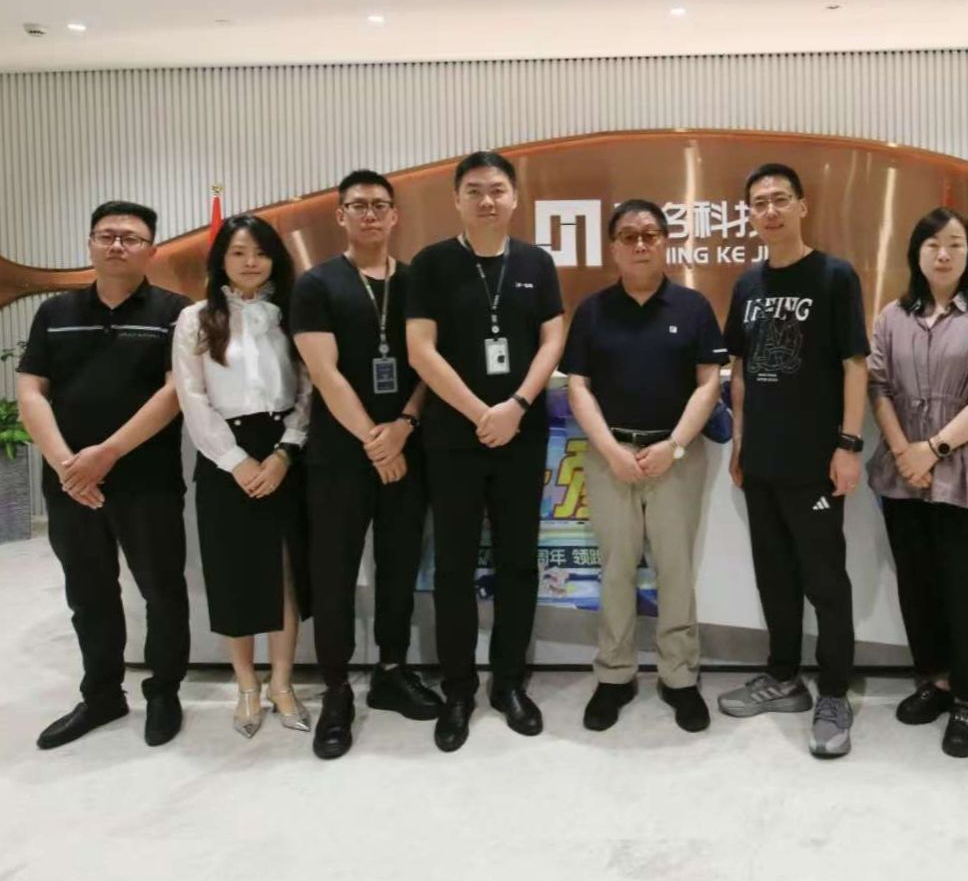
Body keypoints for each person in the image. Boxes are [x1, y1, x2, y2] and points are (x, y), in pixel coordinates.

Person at [16, 201, 191, 750]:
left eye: (131, 238)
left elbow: (175, 392)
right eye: (107, 235)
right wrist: (66, 463)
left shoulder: (175, 312)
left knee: (162, 590)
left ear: (152, 251)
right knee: (88, 592)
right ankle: (101, 695)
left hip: (147, 478)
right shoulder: (55, 311)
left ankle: (164, 693)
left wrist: (107, 453)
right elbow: (31, 390)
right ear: (90, 244)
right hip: (71, 483)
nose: (117, 245)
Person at [407, 151, 566, 752]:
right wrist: (481, 413)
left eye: (497, 189)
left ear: (515, 198)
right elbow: (421, 350)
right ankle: (458, 689)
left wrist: (517, 406)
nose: (486, 201)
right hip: (454, 438)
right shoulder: (432, 263)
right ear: (456, 200)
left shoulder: (535, 262)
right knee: (452, 567)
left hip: (521, 435)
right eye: (474, 190)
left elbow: (553, 337)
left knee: (517, 562)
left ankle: (509, 683)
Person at [718, 162, 869, 759]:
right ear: (750, 215)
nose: (771, 210)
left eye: (781, 199)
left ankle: (833, 693)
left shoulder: (834, 276)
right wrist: (739, 442)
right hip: (761, 461)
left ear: (802, 206)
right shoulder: (747, 286)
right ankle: (783, 678)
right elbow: (739, 370)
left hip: (816, 463)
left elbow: (855, 365)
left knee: (825, 582)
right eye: (760, 203)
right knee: (774, 578)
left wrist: (848, 445)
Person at [290, 170, 441, 760]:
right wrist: (375, 442)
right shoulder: (317, 283)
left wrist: (403, 426)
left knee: (398, 567)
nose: (371, 214)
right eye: (359, 206)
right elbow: (323, 372)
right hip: (339, 456)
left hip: (408, 447)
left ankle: (391, 671)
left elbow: (430, 363)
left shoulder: (417, 281)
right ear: (341, 216)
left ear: (396, 215)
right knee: (333, 573)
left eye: (380, 205)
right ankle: (335, 690)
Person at [867, 207, 968, 758]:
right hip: (903, 473)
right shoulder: (892, 317)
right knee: (919, 586)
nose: (943, 254)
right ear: (916, 253)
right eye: (932, 243)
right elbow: (878, 386)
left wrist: (932, 448)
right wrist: (903, 452)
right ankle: (935, 682)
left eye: (955, 244)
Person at [563, 199, 726, 734]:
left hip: (675, 458)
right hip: (610, 456)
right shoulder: (592, 311)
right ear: (613, 247)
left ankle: (679, 677)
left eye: (650, 235)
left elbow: (709, 383)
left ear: (665, 243)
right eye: (629, 236)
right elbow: (578, 387)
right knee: (616, 568)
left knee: (675, 569)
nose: (640, 244)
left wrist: (673, 446)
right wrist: (611, 450)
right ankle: (614, 675)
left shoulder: (693, 307)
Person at [171, 214, 313, 740]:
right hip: (222, 457)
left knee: (284, 574)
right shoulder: (195, 319)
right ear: (220, 260)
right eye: (238, 252)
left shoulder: (290, 315)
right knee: (233, 574)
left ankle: (282, 683)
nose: (250, 262)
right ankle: (247, 686)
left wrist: (284, 452)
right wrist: (235, 461)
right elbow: (192, 398)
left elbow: (308, 390)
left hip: (283, 451)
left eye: (260, 252)